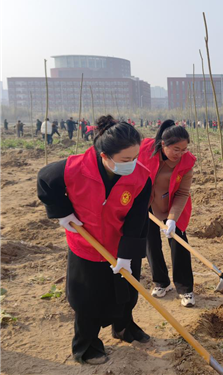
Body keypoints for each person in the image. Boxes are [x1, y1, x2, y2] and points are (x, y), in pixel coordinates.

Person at [37, 115, 152, 365]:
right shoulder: (74, 168)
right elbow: (45, 180)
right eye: (125, 160)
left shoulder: (141, 177)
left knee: (126, 292)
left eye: (135, 158)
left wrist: (127, 254)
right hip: (85, 243)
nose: (132, 164)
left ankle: (124, 328)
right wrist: (63, 211)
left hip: (120, 243)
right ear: (104, 156)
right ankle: (86, 344)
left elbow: (138, 218)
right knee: (87, 298)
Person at [138, 120, 197, 307]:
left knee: (179, 244)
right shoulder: (146, 150)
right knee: (151, 243)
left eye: (184, 149)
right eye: (176, 149)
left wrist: (171, 220)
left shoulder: (187, 163)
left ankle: (185, 289)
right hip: (147, 203)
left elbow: (182, 193)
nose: (180, 154)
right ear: (163, 145)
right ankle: (161, 282)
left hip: (172, 205)